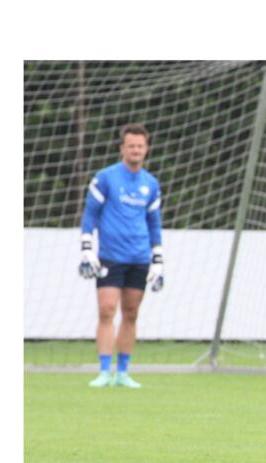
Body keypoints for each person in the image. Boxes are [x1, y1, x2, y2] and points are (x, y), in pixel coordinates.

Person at [78, 123, 165, 388]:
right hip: (109, 255)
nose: (136, 150)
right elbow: (90, 214)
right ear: (122, 149)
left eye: (140, 146)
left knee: (131, 312)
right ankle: (104, 371)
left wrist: (158, 258)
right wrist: (86, 248)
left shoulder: (150, 184)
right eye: (131, 146)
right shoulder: (105, 178)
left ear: (146, 149)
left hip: (139, 256)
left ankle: (123, 373)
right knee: (106, 310)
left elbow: (154, 223)